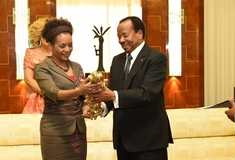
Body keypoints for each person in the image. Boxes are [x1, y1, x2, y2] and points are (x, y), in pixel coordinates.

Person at [90, 16, 173, 160]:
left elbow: (147, 93)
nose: (121, 40)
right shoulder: (117, 60)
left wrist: (113, 96)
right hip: (123, 139)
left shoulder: (156, 59)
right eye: (118, 36)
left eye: (125, 35)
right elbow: (112, 90)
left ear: (139, 34)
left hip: (149, 140)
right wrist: (101, 107)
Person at [34, 17, 102, 160]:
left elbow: (83, 98)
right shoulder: (42, 68)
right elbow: (53, 92)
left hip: (79, 132)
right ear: (50, 45)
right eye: (62, 46)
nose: (68, 49)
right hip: (55, 132)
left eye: (70, 45)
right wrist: (79, 91)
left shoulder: (77, 67)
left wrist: (86, 108)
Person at [22, 17, 52, 113]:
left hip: (59, 99)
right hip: (37, 99)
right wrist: (47, 93)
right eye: (45, 34)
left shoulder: (60, 52)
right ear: (38, 36)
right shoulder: (31, 53)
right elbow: (28, 79)